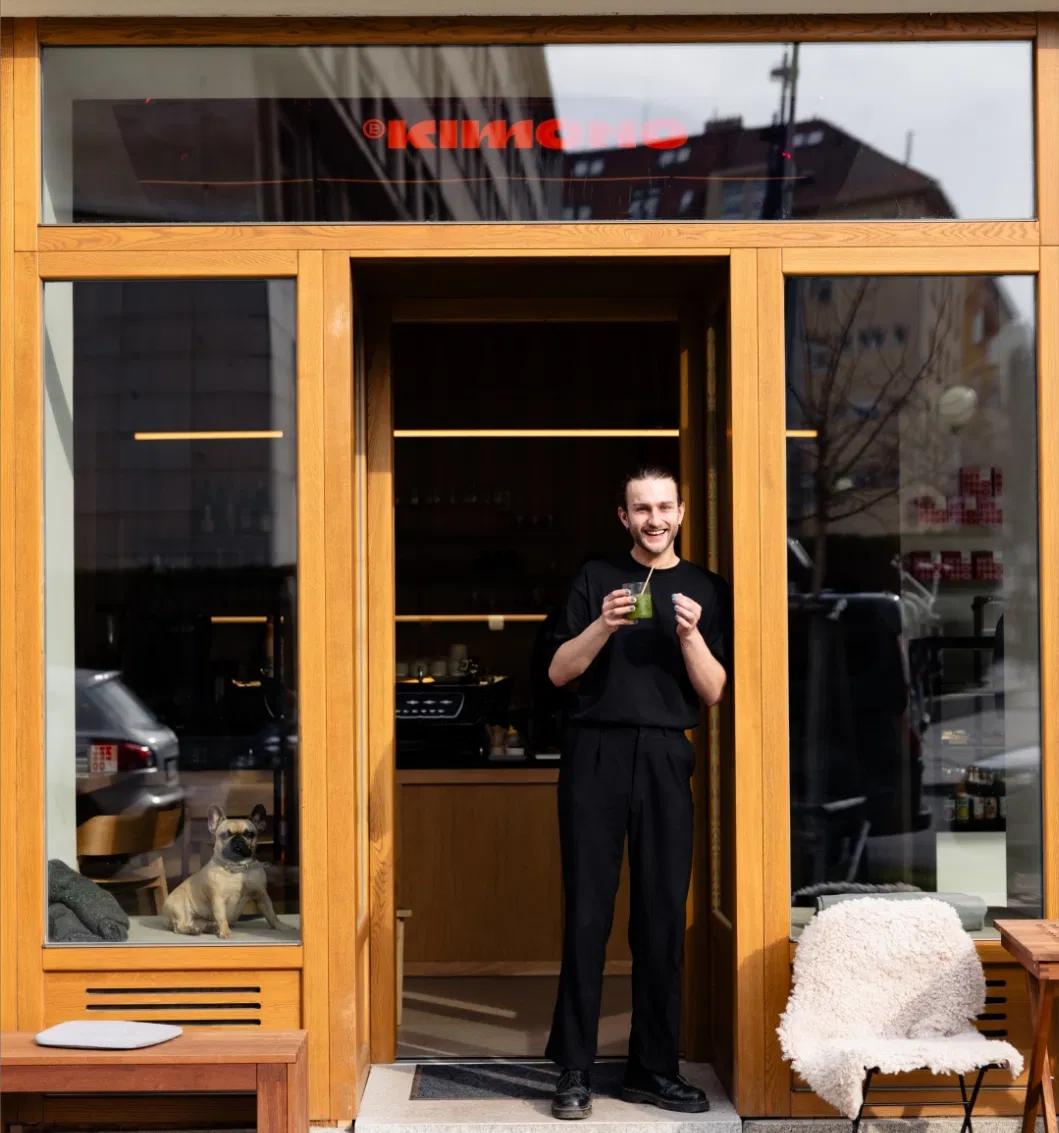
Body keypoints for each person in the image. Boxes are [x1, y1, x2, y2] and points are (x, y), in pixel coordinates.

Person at [545, 465, 729, 1120]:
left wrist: (688, 635)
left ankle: (652, 1067)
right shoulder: (595, 577)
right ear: (622, 517)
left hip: (663, 753)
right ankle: (573, 1067)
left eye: (663, 507)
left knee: (660, 915)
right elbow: (557, 672)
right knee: (587, 912)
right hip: (594, 750)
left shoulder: (704, 586)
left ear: (680, 512)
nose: (654, 518)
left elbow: (711, 690)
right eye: (640, 508)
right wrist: (600, 626)